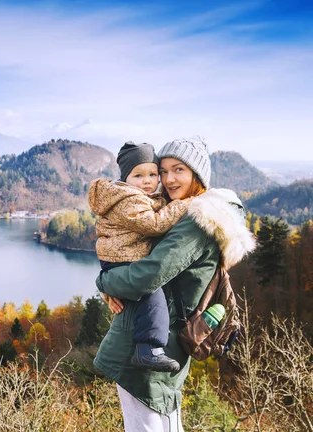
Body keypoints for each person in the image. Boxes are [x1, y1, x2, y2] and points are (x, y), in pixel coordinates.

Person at [94, 137, 256, 431]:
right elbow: (132, 257)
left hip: (146, 355)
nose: (168, 179)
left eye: (178, 169)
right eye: (163, 170)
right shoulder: (180, 212)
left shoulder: (196, 221)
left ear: (197, 175)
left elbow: (147, 276)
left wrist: (104, 280)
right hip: (152, 351)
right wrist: (110, 285)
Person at [88, 141, 192, 372]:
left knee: (147, 296)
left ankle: (148, 349)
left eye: (153, 174)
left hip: (121, 257)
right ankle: (148, 350)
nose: (147, 181)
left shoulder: (138, 196)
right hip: (123, 257)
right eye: (138, 175)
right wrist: (184, 205)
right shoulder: (129, 199)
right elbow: (154, 224)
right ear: (126, 179)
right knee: (150, 292)